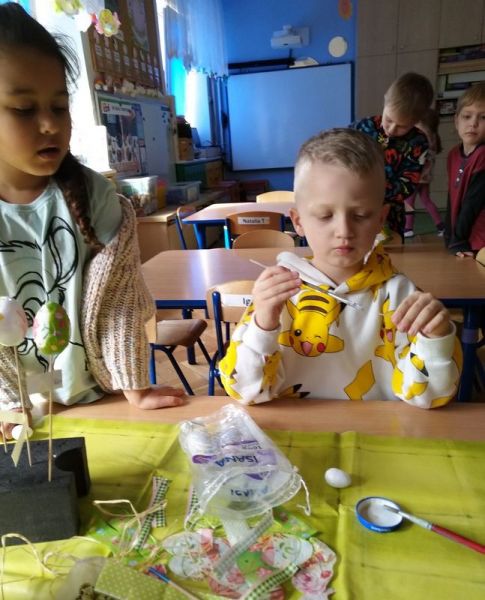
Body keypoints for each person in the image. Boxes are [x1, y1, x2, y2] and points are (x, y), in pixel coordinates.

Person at [0, 3, 185, 438]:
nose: (49, 125)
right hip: (16, 412)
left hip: (95, 396)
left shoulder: (95, 196)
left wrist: (133, 383)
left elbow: (119, 300)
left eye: (59, 106)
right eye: (24, 109)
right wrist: (6, 402)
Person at [219, 128, 462, 408]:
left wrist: (436, 338)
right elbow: (244, 391)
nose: (344, 231)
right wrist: (263, 324)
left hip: (376, 431)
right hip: (294, 431)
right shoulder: (277, 293)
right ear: (298, 222)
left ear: (380, 219)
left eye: (361, 215)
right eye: (325, 216)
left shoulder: (400, 295)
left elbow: (429, 397)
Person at [352, 72, 434, 240]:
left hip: (390, 214)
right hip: (355, 207)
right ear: (385, 102)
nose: (391, 129)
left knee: (390, 252)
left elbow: (408, 184)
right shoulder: (363, 127)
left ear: (416, 121)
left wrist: (374, 192)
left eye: (402, 126)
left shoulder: (418, 142)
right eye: (388, 119)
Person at [445, 82, 485, 257]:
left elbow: (473, 204)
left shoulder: (482, 155)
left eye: (483, 118)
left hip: (478, 242)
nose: (473, 123)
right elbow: (452, 197)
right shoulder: (453, 155)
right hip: (462, 239)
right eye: (467, 116)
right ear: (456, 121)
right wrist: (449, 235)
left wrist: (459, 240)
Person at [404, 108, 445, 238]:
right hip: (426, 176)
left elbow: (414, 155)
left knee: (408, 202)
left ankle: (408, 228)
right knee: (426, 200)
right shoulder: (433, 136)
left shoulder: (421, 135)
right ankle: (441, 226)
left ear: (423, 121)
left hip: (416, 175)